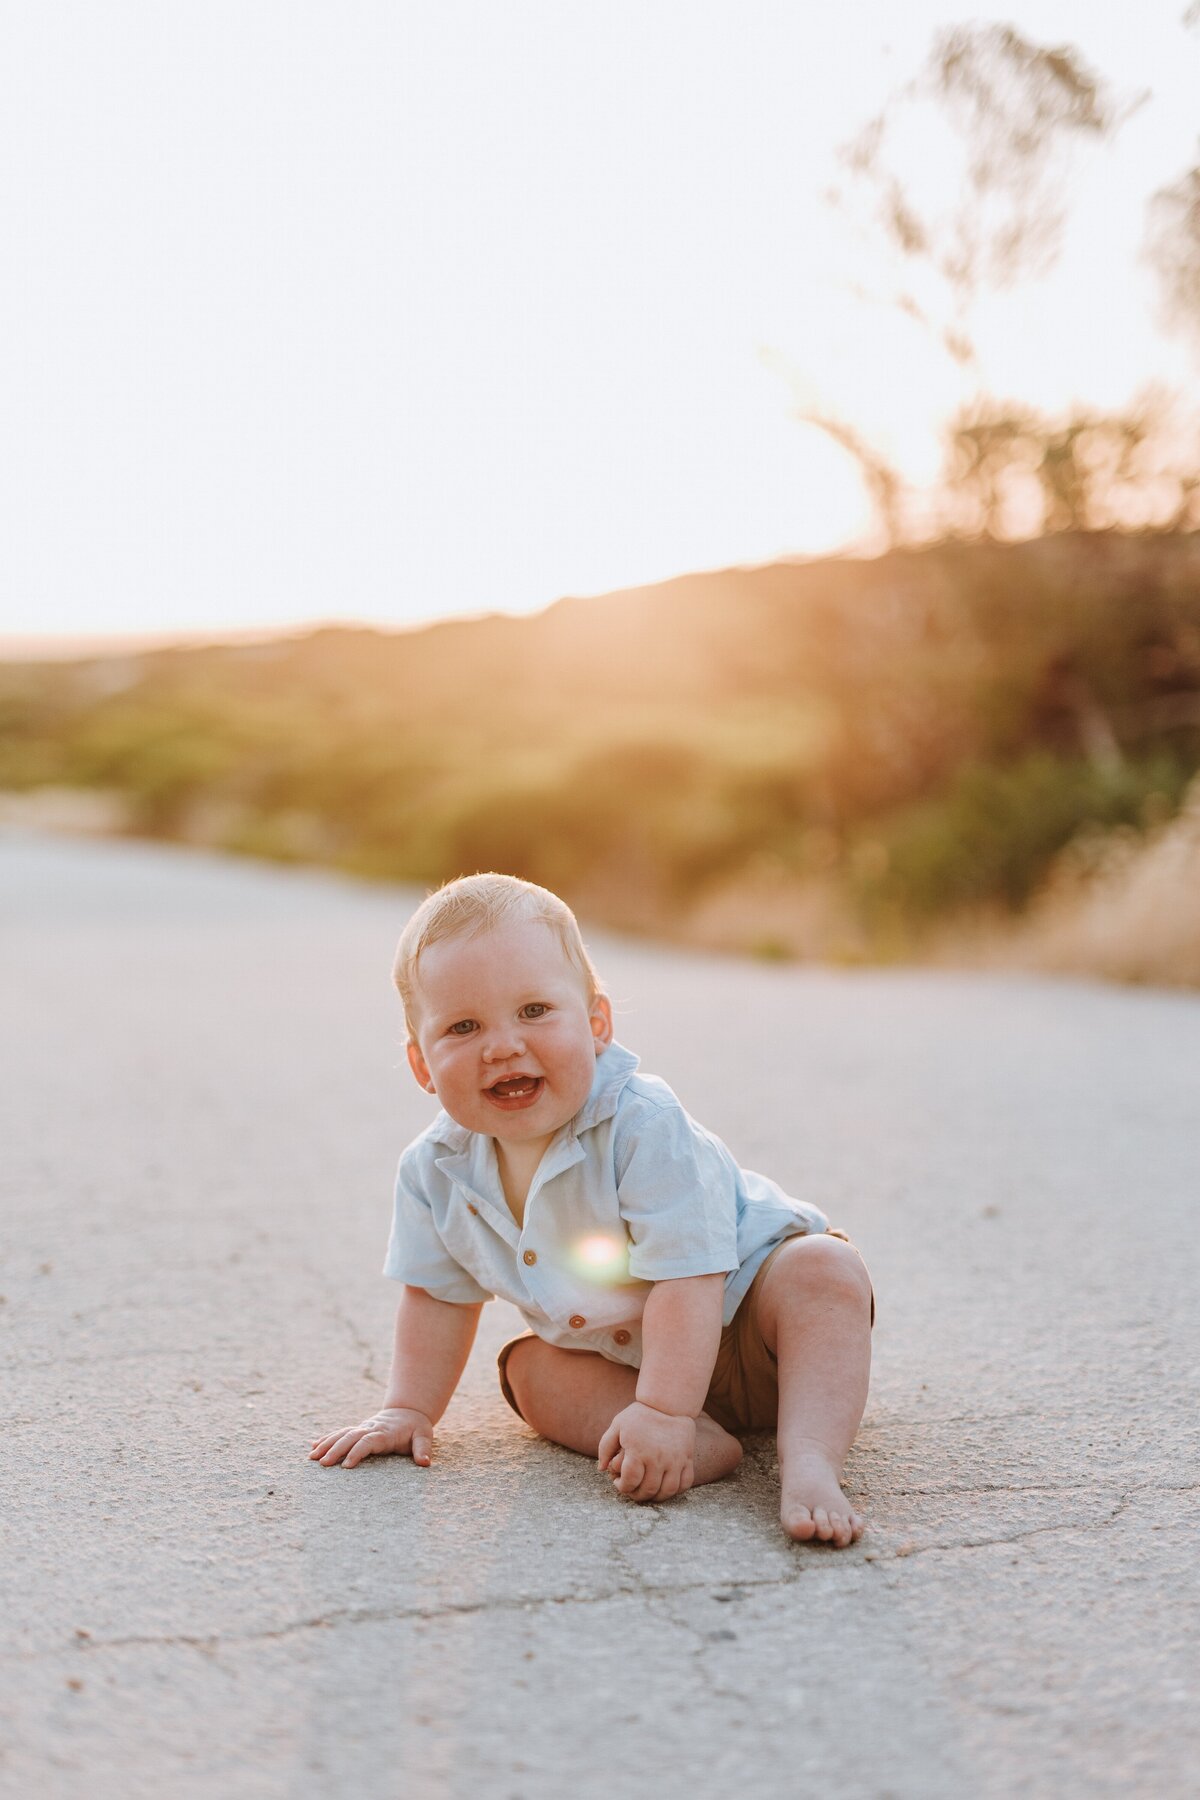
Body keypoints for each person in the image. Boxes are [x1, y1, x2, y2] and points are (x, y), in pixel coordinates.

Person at [309, 873, 875, 1545]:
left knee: (823, 1269)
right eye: (462, 1027)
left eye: (535, 1011)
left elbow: (687, 1276)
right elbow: (437, 1298)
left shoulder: (642, 1122)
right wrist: (406, 1407)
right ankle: (696, 1442)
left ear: (597, 1024)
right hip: (624, 1368)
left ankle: (809, 1460)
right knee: (528, 1371)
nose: (502, 1045)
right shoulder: (435, 1171)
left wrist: (663, 1408)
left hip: (748, 1324)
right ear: (422, 1065)